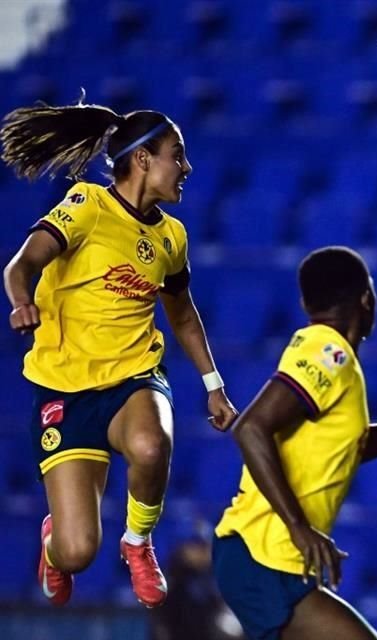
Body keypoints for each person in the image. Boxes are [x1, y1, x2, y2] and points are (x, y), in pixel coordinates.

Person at [1, 98, 238, 608]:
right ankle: (53, 543)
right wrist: (21, 302)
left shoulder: (171, 237)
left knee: (153, 445)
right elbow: (21, 264)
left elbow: (181, 313)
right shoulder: (88, 206)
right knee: (78, 550)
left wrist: (213, 385)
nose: (187, 168)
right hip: (66, 388)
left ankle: (138, 541)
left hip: (134, 377)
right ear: (144, 160)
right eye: (179, 155)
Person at [211, 246, 377, 640]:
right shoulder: (329, 352)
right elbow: (250, 428)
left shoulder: (337, 361)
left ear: (306, 302)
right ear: (367, 300)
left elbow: (350, 447)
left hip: (269, 558)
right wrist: (299, 527)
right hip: (263, 553)